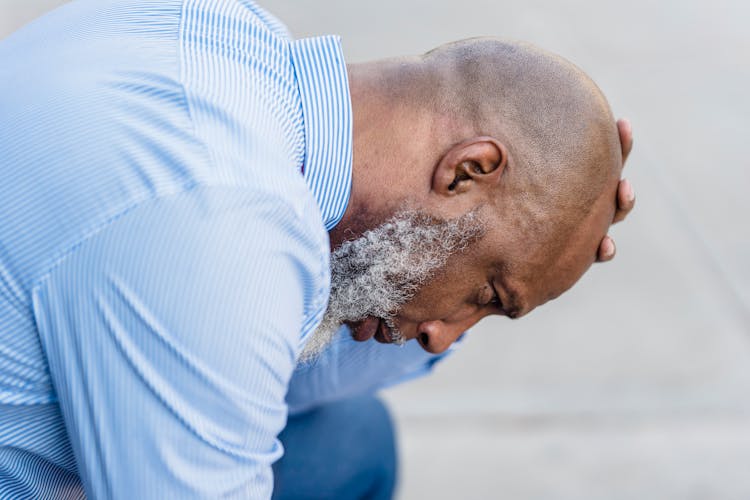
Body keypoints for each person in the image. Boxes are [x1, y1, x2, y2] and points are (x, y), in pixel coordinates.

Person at [0, 0, 635, 498]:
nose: (443, 336)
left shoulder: (223, 40)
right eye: (485, 295)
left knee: (354, 440)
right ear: (466, 171)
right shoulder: (223, 228)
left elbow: (272, 376)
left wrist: (557, 233)